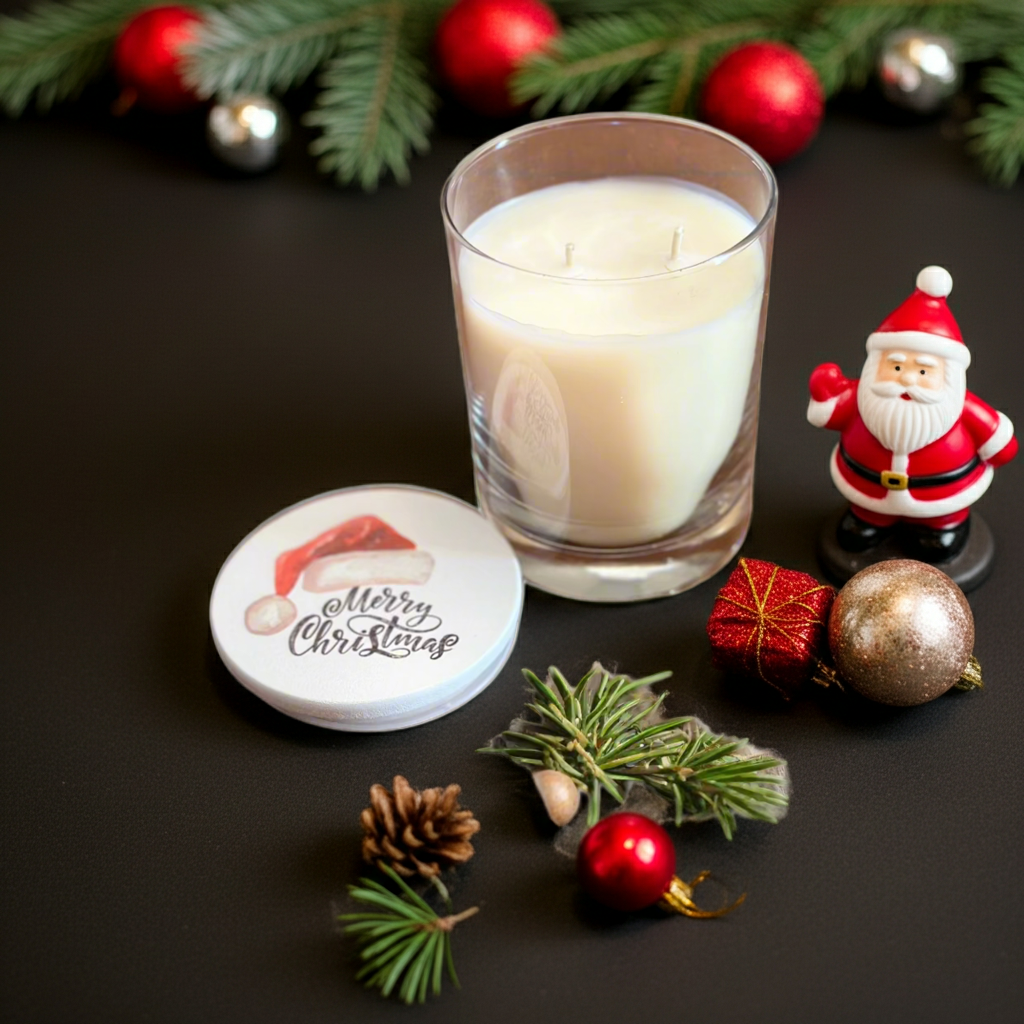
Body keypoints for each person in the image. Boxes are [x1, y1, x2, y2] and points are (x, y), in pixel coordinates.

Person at [807, 266, 1016, 560]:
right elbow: (827, 414)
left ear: (950, 377)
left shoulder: (962, 410)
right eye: (895, 367)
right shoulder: (861, 399)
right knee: (864, 520)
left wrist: (1002, 445)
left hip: (940, 499)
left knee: (939, 532)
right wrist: (824, 392)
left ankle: (941, 528)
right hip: (869, 490)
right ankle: (869, 521)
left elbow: (1002, 446)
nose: (907, 379)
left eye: (922, 371)